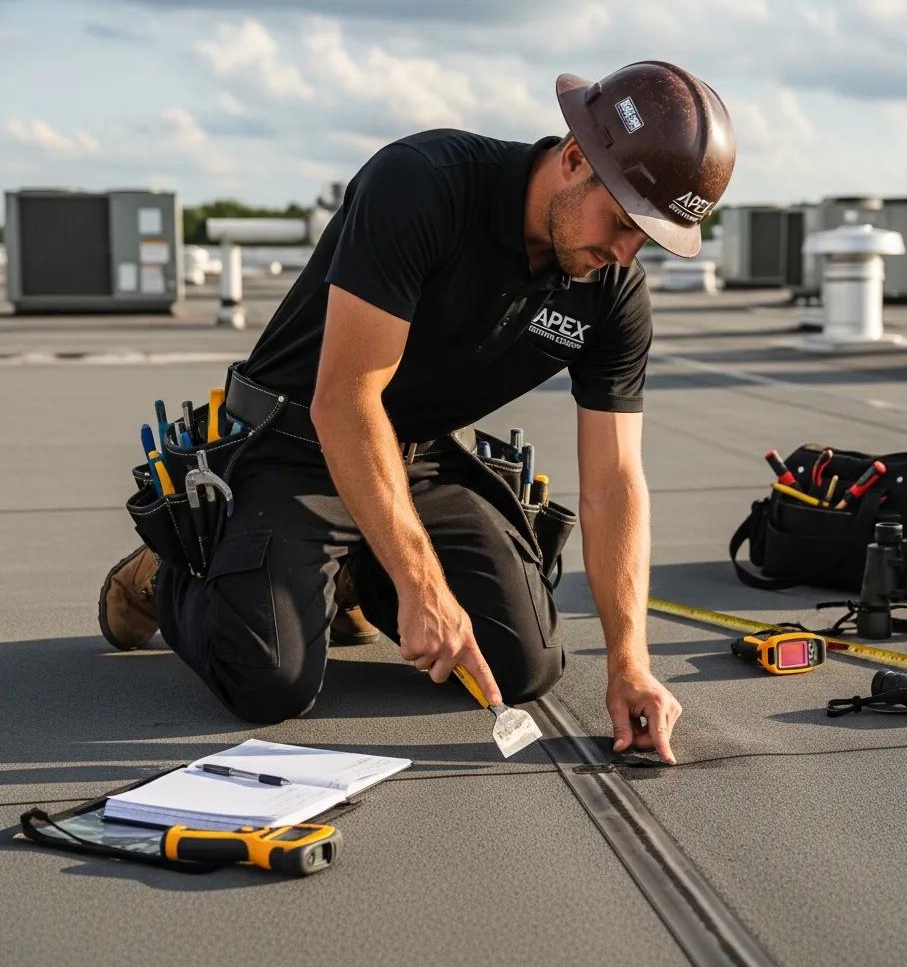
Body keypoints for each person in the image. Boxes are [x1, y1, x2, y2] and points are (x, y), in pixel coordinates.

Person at [99, 60, 735, 764]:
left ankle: (346, 573)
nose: (624, 252)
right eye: (621, 220)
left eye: (646, 237)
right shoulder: (423, 184)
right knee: (269, 683)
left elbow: (615, 478)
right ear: (574, 158)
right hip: (294, 438)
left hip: (418, 453)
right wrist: (423, 586)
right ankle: (172, 569)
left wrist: (630, 663)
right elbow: (344, 400)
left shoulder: (611, 292)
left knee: (525, 666)